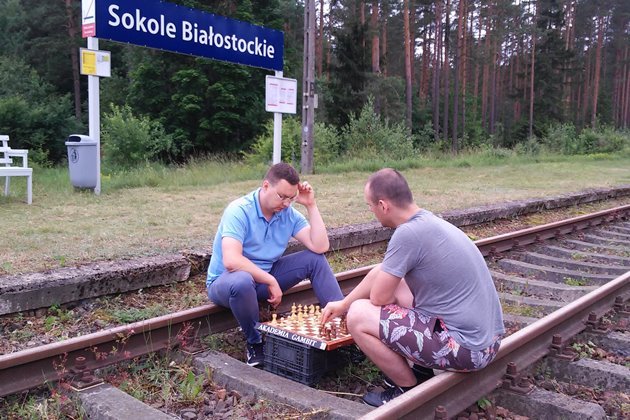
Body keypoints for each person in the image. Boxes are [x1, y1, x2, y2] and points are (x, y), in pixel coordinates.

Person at [321, 168, 505, 407]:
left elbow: (378, 297)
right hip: (487, 343)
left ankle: (406, 387)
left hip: (467, 349)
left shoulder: (407, 234)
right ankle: (421, 368)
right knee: (381, 291)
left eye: (370, 206)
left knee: (358, 315)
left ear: (383, 205)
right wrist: (343, 303)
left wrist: (351, 309)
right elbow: (384, 270)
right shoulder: (426, 221)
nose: (371, 212)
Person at [206, 162, 344, 367]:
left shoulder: (287, 214)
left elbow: (320, 246)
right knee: (243, 281)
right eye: (282, 196)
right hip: (226, 282)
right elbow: (232, 261)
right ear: (266, 186)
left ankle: (341, 325)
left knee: (314, 260)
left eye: (291, 198)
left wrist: (311, 206)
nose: (286, 203)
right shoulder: (239, 210)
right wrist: (270, 280)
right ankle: (255, 343)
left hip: (262, 280)